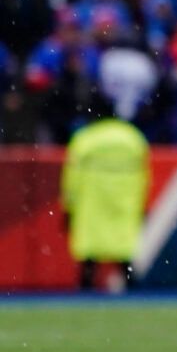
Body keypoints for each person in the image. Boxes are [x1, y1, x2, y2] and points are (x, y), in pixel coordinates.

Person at [61, 107, 151, 294]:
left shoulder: (86, 138)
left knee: (90, 251)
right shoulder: (132, 137)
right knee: (123, 249)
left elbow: (72, 177)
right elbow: (144, 175)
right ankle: (133, 293)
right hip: (123, 201)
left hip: (93, 200)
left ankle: (86, 291)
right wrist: (141, 204)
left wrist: (68, 206)